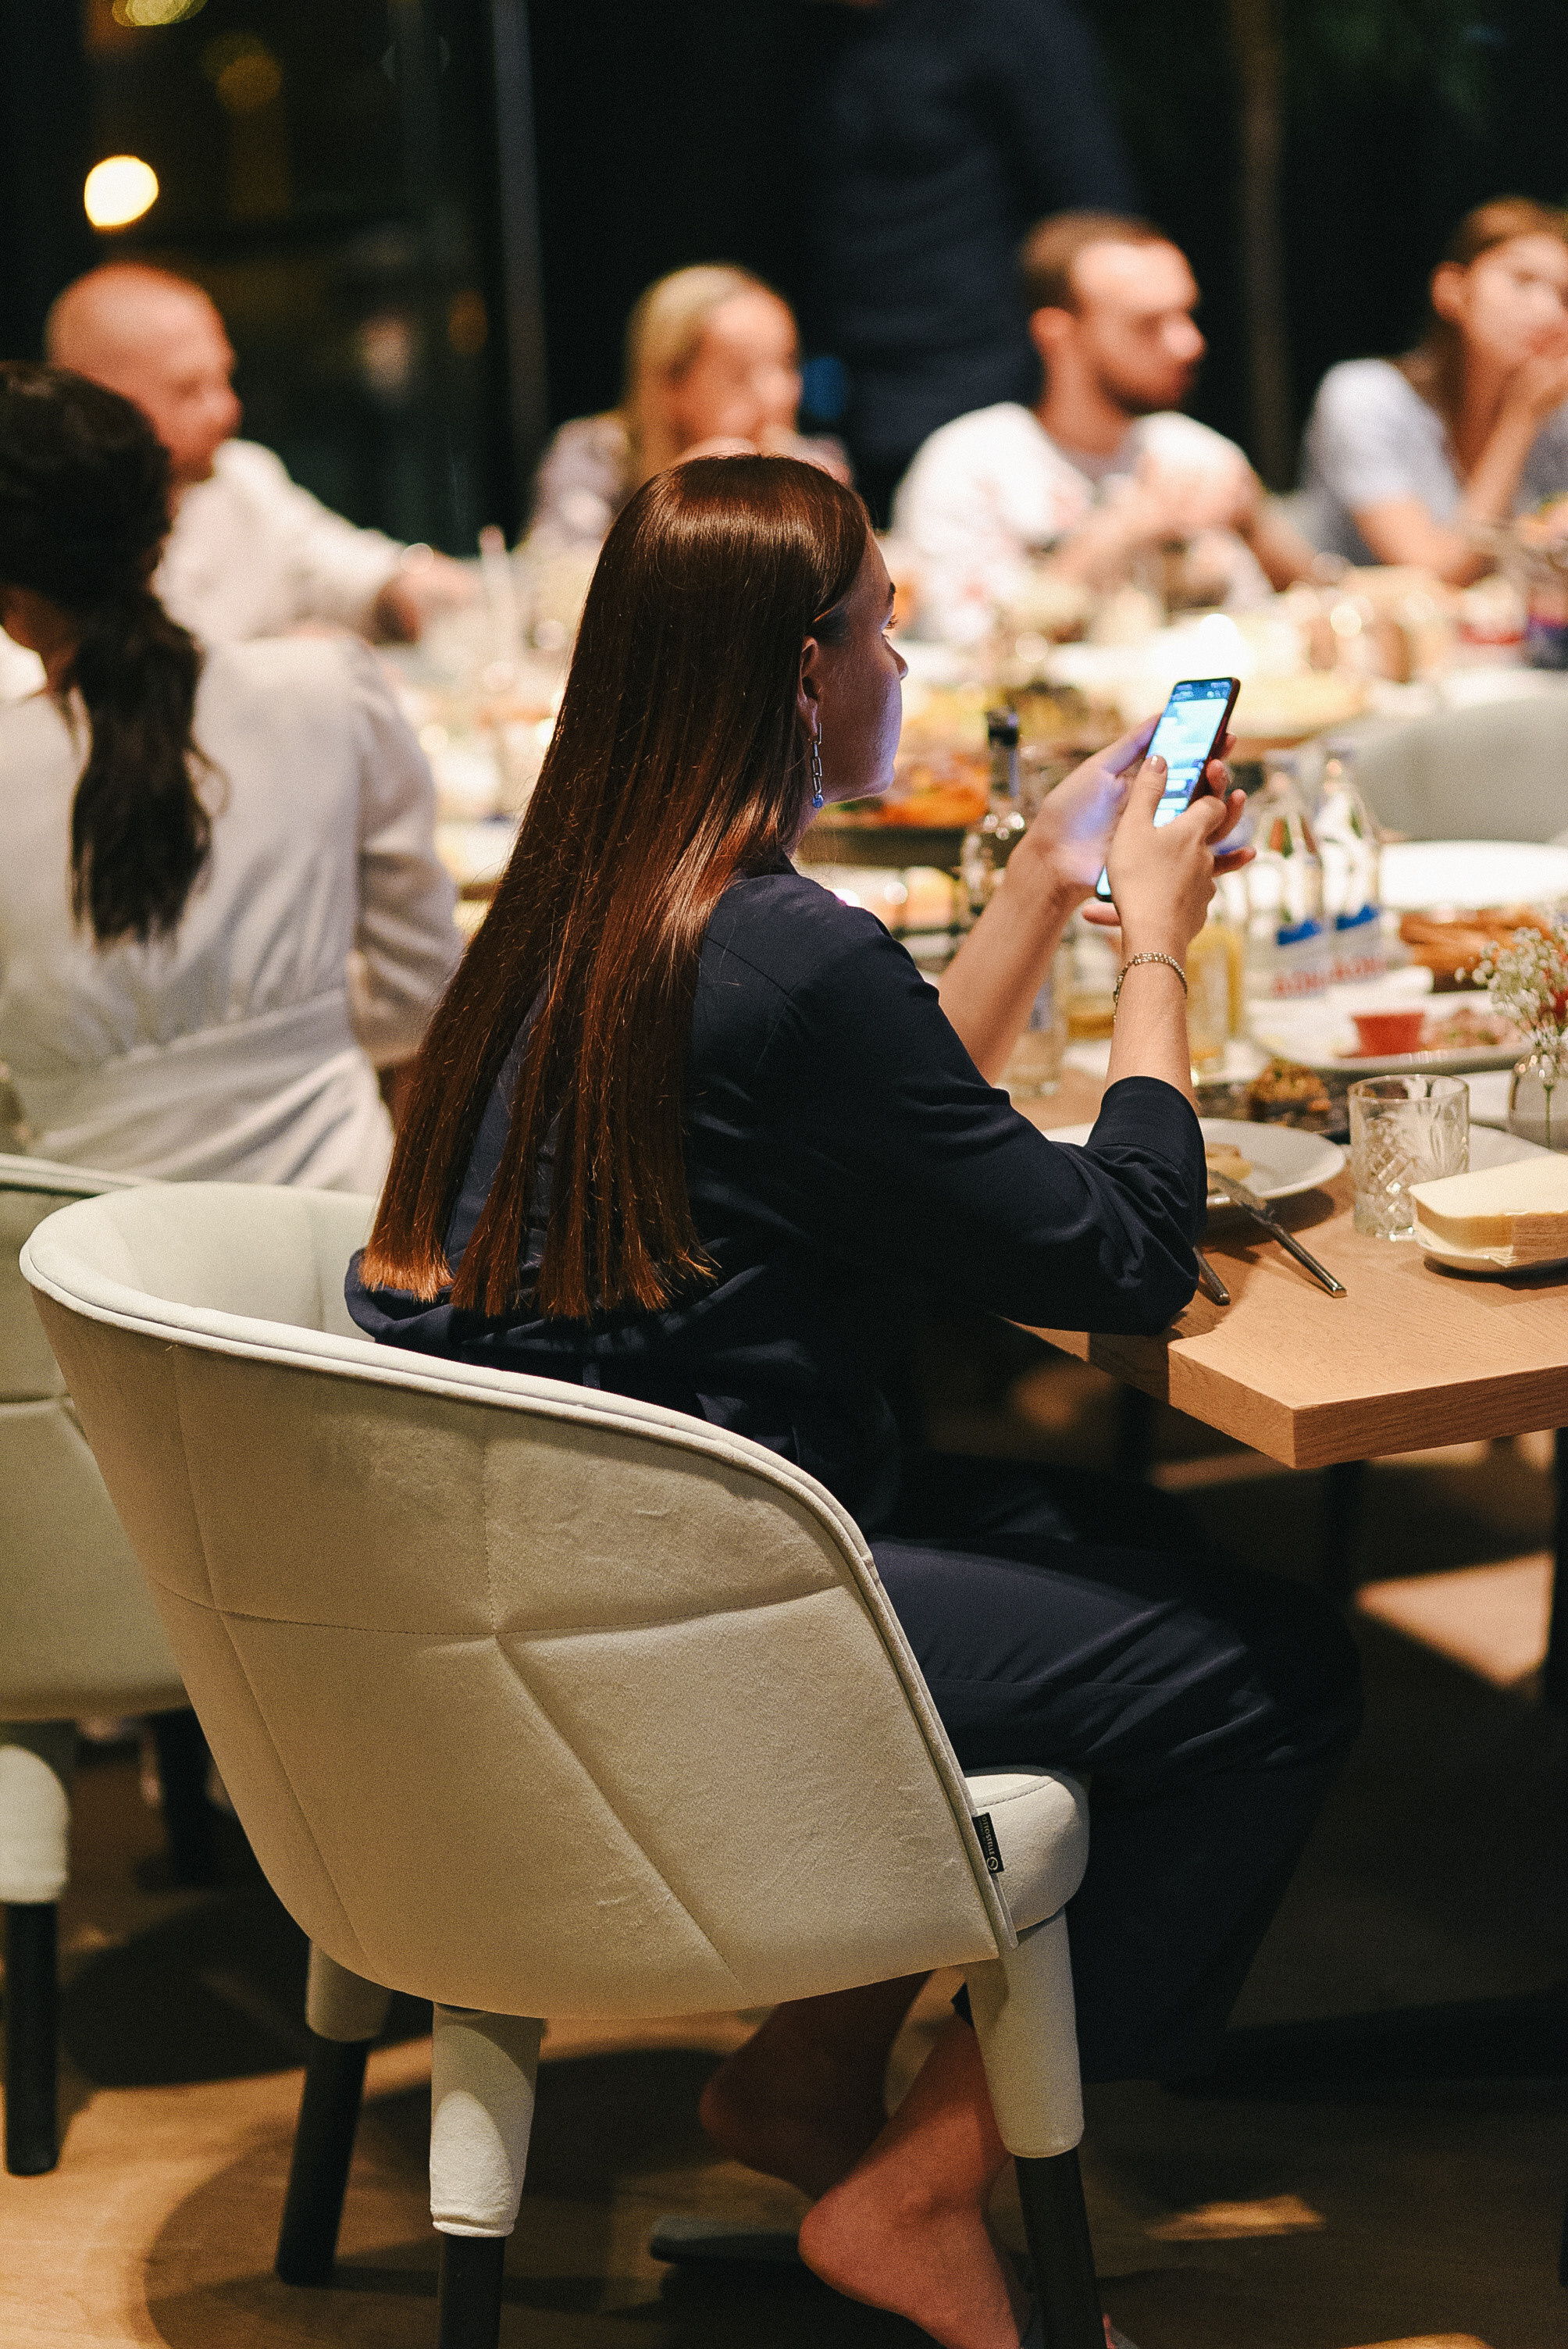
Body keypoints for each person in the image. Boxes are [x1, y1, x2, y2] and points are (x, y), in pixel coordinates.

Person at [347, 455, 1360, 2349]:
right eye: (882, 628)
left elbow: (899, 1136)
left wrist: (1046, 875)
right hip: (694, 1620)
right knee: (1267, 1676)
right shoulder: (784, 948)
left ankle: (806, 2081)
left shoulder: (587, 905)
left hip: (544, 1587)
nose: (903, 661)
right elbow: (1123, 1253)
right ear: (805, 670)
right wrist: (1151, 935)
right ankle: (914, 2190)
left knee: (1128, 1534)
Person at [0, 364, 460, 1187]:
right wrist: (292, 1027)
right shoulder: (329, 691)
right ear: (165, 525)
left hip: (82, 1250)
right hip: (337, 1233)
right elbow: (426, 989)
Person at [893, 212, 1318, 641]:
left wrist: (1257, 528)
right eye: (1148, 324)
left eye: (1186, 315)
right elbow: (967, 651)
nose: (1189, 344)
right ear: (1058, 334)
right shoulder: (969, 464)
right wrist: (1121, 529)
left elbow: (1315, 618)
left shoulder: (1199, 451)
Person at [798, 0, 1138, 522]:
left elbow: (1092, 214)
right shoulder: (815, 39)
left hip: (996, 385)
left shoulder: (1010, 21)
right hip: (857, 402)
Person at [41, 262, 473, 646]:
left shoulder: (241, 477)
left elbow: (341, 568)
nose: (227, 409)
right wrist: (277, 667)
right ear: (92, 396)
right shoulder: (39, 523)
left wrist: (403, 586)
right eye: (189, 390)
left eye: (224, 378)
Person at [1295, 195, 1568, 581]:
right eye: (1522, 281)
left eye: (1565, 297)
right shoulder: (1364, 396)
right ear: (1452, 291)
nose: (1550, 312)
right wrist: (1519, 422)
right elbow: (1435, 573)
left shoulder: (1556, 417)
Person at [525, 264, 850, 556]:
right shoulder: (595, 453)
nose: (778, 395)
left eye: (786, 364)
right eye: (739, 374)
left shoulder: (814, 466)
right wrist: (673, 503)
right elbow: (557, 576)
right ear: (669, 383)